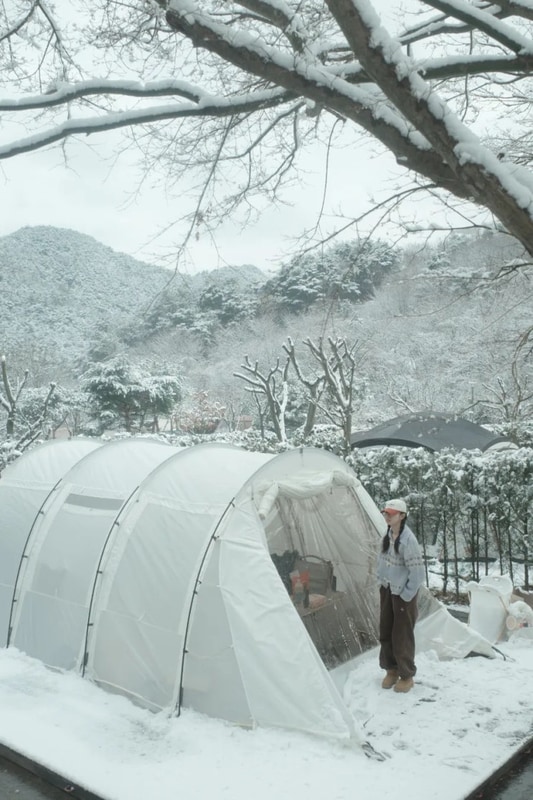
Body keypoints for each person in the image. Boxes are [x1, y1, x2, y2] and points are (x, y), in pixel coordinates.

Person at [377, 498, 425, 693]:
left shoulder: (408, 541)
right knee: (385, 630)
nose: (387, 516)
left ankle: (406, 675)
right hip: (387, 589)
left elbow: (418, 574)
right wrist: (381, 582)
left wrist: (406, 596)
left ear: (402, 516)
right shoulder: (388, 534)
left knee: (402, 635)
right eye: (386, 513)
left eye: (391, 513)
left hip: (402, 594)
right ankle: (391, 669)